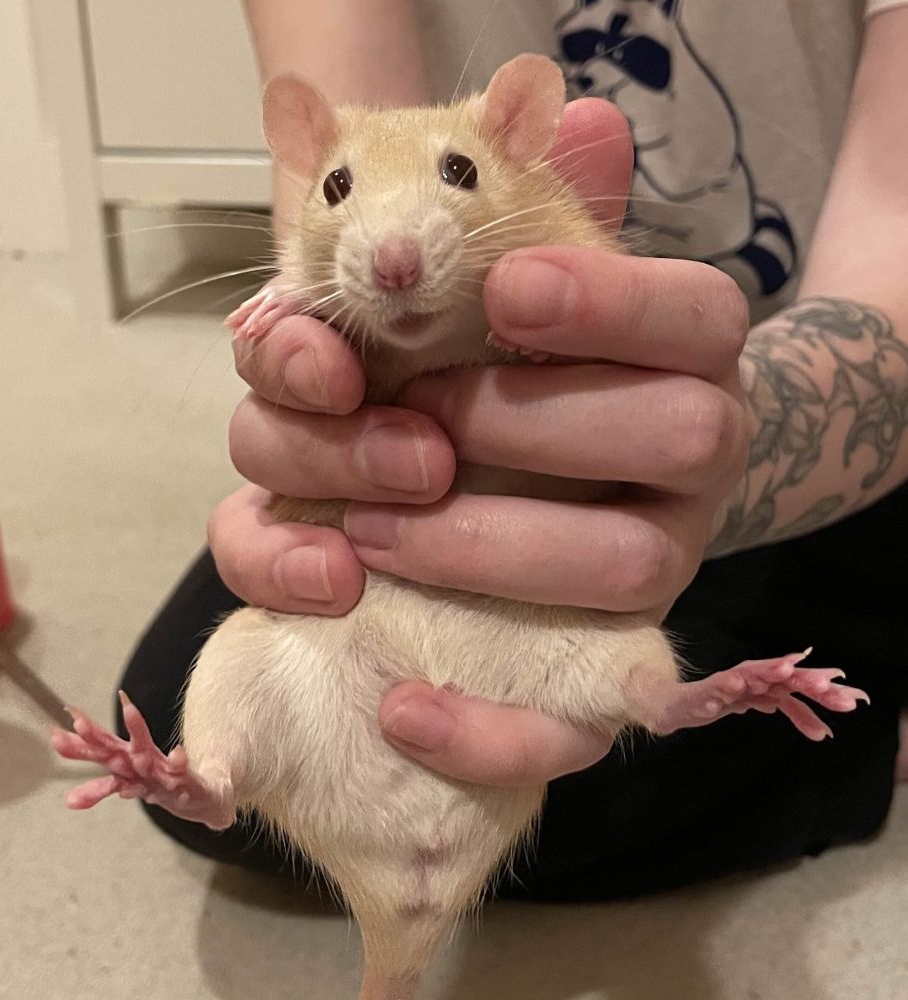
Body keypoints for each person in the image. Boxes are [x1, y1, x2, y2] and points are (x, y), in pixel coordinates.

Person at [116, 0, 908, 901]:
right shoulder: (371, 203)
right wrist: (300, 327)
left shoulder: (544, 222)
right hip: (438, 514)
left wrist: (685, 447)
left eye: (459, 172)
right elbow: (355, 179)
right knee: (184, 693)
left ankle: (846, 749)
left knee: (614, 717)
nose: (395, 256)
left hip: (818, 416)